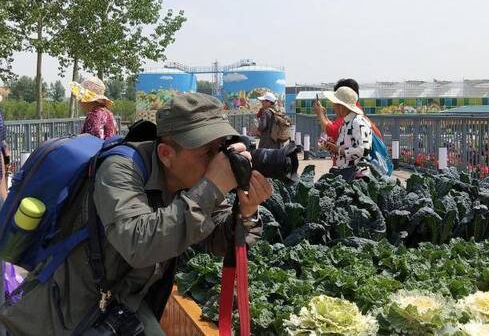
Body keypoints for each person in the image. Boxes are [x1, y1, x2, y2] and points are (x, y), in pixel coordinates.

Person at [0, 93, 272, 334]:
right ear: (166, 154)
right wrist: (211, 186)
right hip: (63, 311)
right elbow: (139, 243)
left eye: (221, 148)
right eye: (207, 151)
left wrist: (246, 213)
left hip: (120, 306)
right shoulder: (120, 169)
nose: (217, 160)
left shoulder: (191, 180)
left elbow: (219, 241)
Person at [321, 86, 373, 181]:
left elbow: (364, 150)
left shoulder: (358, 122)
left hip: (357, 176)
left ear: (342, 106)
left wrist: (340, 150)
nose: (333, 107)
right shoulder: (347, 123)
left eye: (335, 104)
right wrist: (334, 148)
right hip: (348, 173)